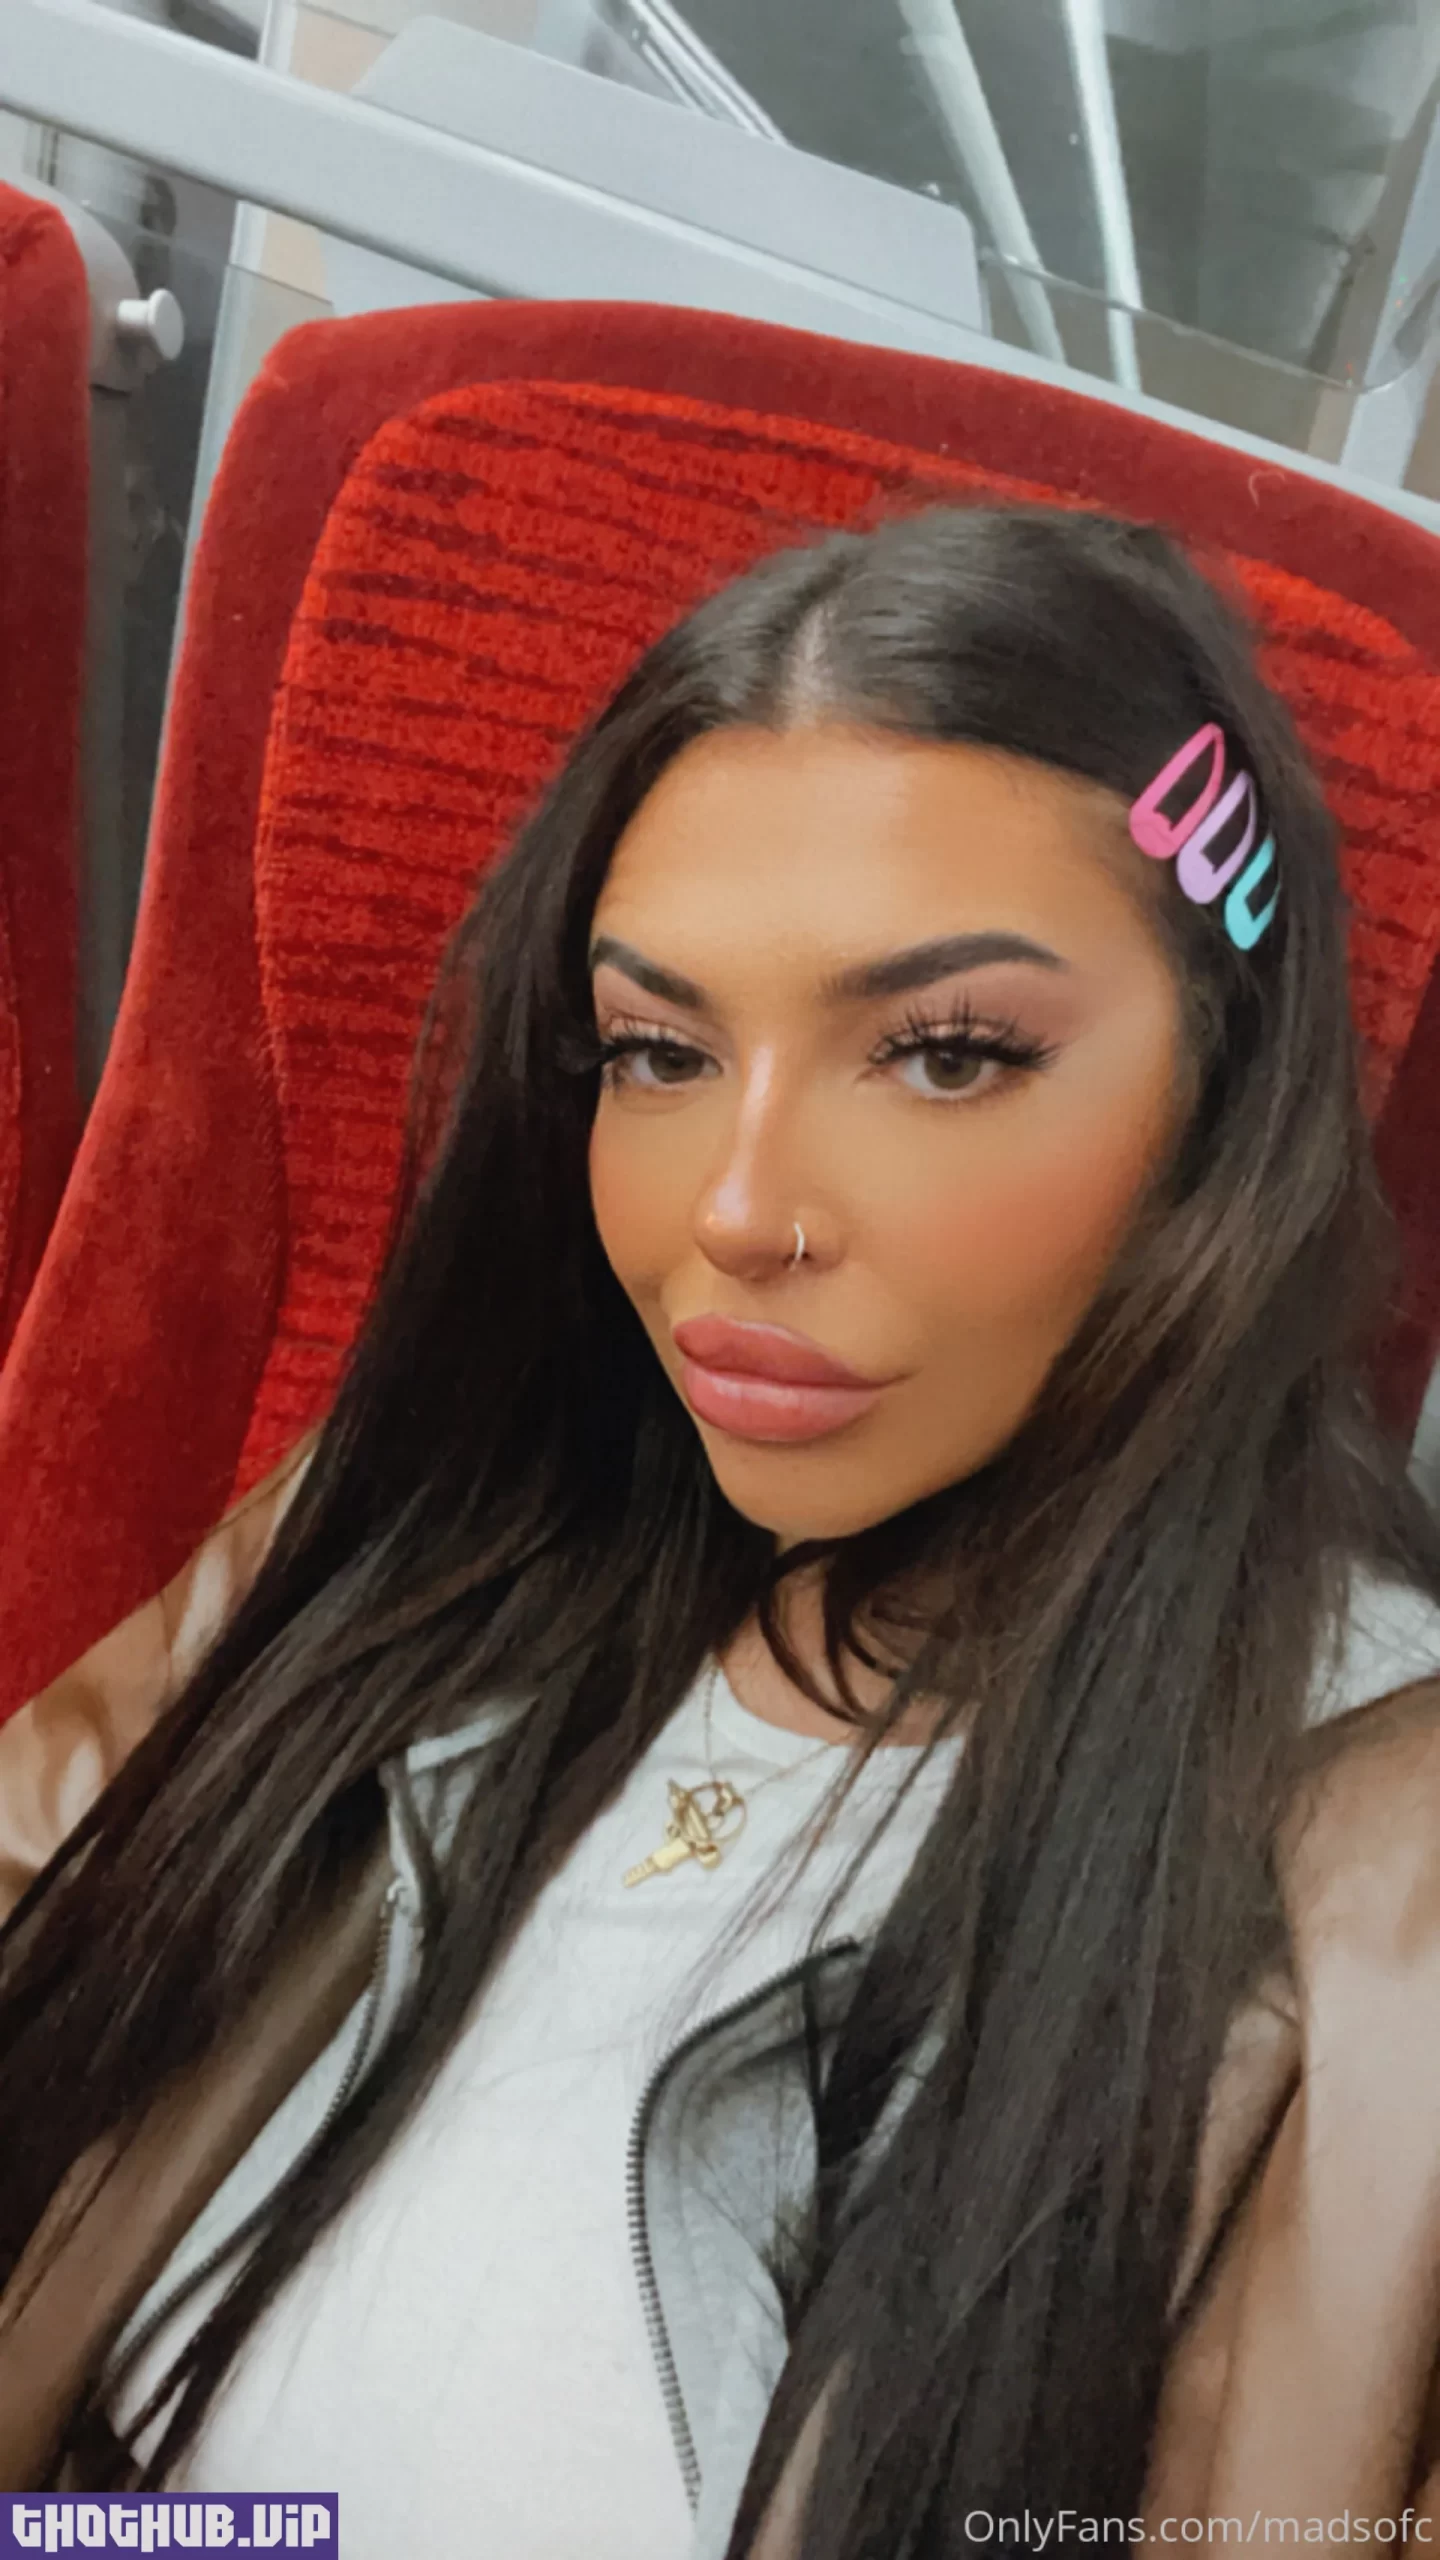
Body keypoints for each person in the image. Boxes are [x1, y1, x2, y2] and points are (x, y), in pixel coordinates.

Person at [3, 503, 1440, 2559]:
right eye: (659, 1052)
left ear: (1219, 1097)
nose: (738, 1208)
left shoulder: (1388, 1898)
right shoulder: (433, 1518)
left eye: (946, 1053)